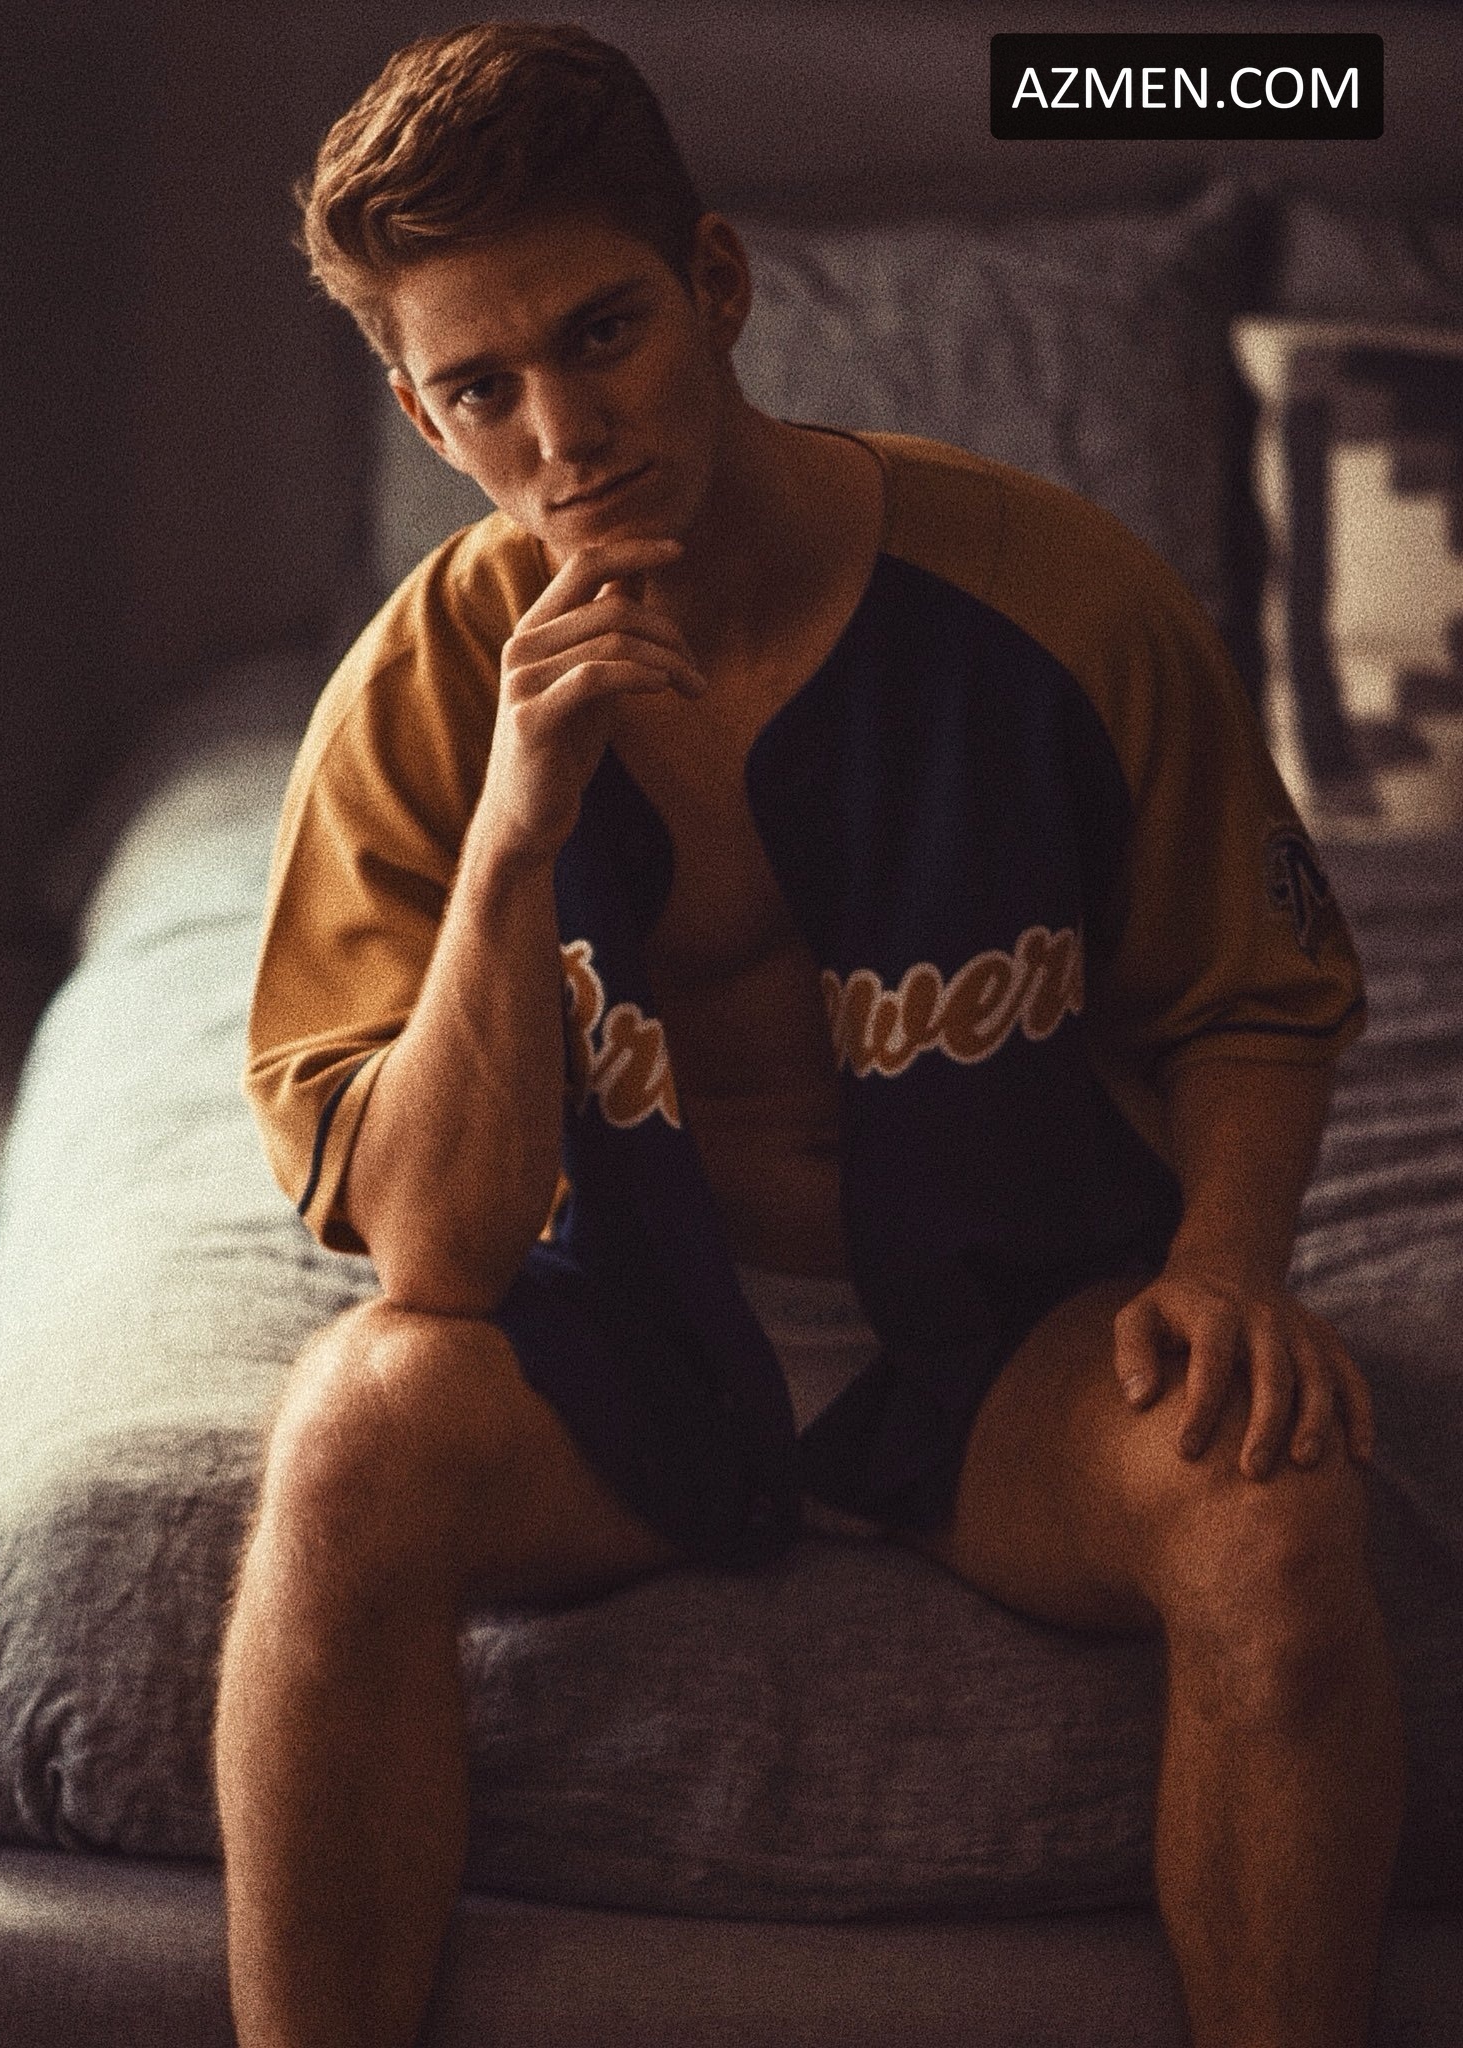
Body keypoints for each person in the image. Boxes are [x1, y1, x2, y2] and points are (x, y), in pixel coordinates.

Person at [220, 22, 1402, 2048]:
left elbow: (1254, 998)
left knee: (1273, 1517)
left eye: (604, 334)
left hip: (1017, 1338)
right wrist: (513, 836)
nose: (564, 431)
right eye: (482, 389)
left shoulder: (1064, 600)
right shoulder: (413, 698)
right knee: (346, 1440)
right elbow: (438, 1260)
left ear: (716, 281)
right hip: (626, 1343)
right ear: (419, 413)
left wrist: (1223, 1261)